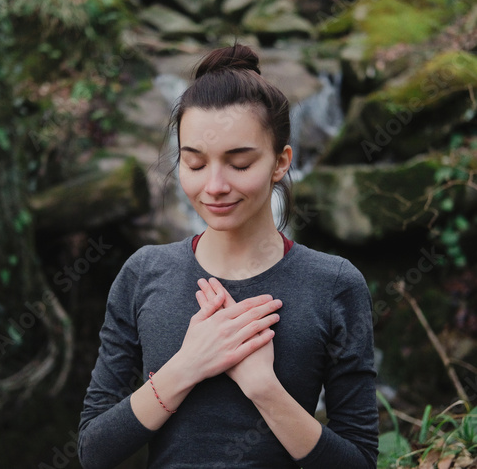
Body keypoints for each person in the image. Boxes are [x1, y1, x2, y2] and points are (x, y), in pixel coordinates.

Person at [78, 44, 378, 469]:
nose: (214, 186)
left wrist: (264, 389)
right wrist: (187, 366)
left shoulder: (334, 284)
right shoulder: (143, 272)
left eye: (239, 163)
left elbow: (360, 463)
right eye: (195, 164)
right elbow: (94, 451)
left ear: (280, 162)